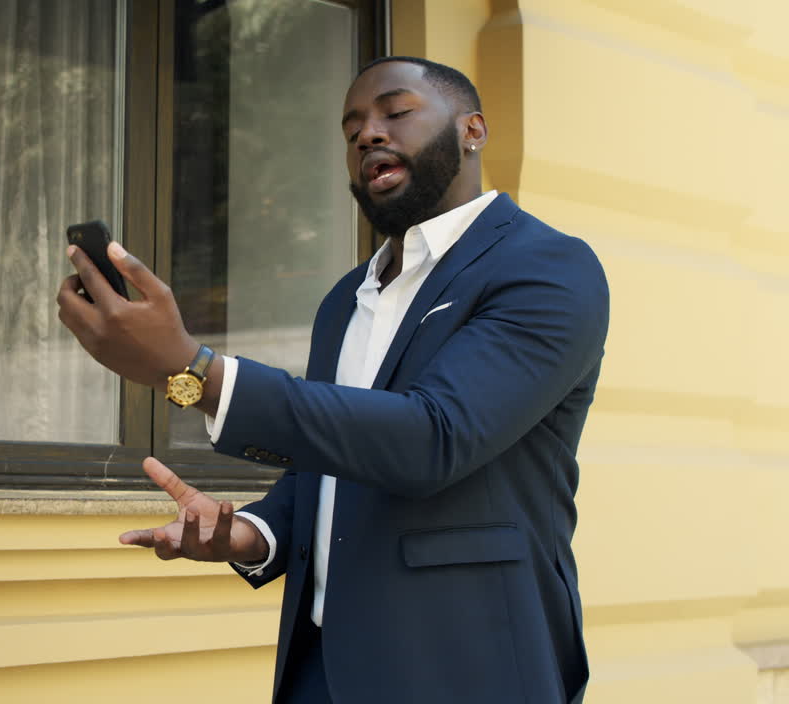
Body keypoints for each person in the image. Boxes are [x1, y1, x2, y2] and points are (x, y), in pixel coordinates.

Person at [57, 56, 608, 704]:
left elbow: (434, 440)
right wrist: (252, 533)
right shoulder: (347, 298)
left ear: (473, 131)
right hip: (321, 667)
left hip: (464, 666)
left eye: (395, 113)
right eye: (352, 131)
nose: (369, 135)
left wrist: (193, 370)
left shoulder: (547, 268)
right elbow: (332, 458)